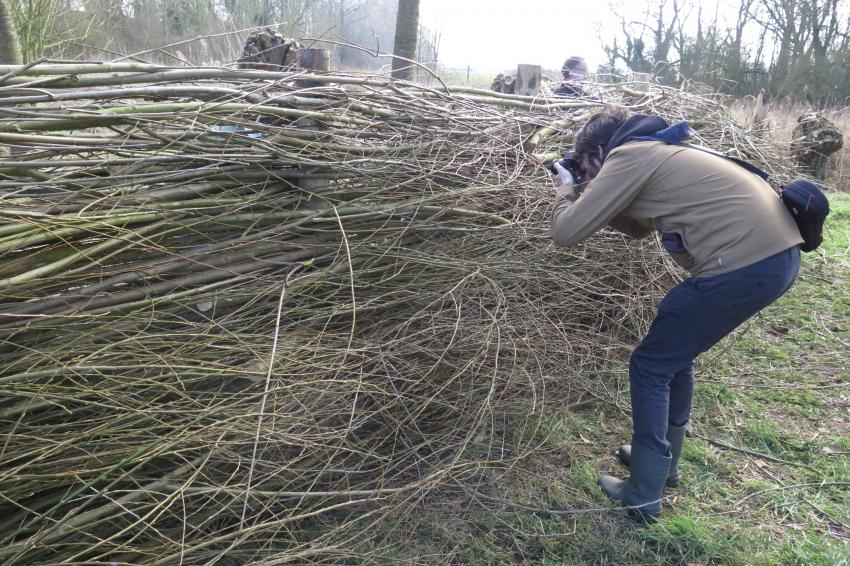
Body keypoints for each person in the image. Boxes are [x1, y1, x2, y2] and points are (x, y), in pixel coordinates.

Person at [550, 108, 803, 523]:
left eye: (583, 163)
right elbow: (638, 229)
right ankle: (662, 466)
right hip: (774, 261)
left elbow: (565, 233)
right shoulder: (660, 150)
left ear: (599, 150)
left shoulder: (629, 156)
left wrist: (565, 191)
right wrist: (591, 193)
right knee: (673, 358)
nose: (583, 171)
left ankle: (643, 495)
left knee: (650, 366)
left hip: (743, 267)